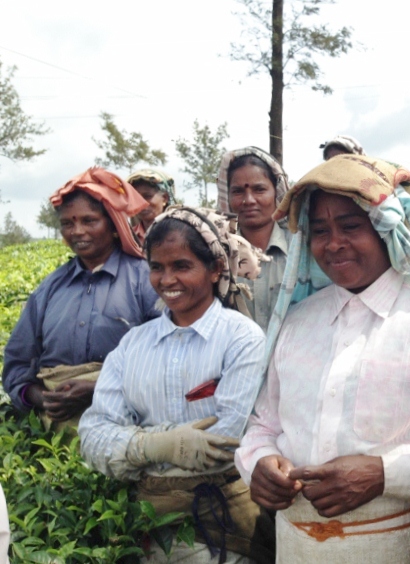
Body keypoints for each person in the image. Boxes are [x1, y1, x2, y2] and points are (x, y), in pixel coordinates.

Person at [235, 155, 410, 563]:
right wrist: (259, 462)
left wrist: (384, 475)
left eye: (352, 226)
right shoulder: (297, 322)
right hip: (296, 549)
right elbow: (263, 425)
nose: (333, 243)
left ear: (387, 227)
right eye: (319, 230)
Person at [79, 206, 274, 564]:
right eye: (157, 267)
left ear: (215, 269)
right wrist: (154, 446)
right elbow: (92, 434)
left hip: (222, 521)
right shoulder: (133, 344)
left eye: (182, 266)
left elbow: (225, 441)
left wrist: (131, 443)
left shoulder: (241, 339)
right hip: (147, 523)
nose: (167, 280)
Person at [2, 168, 159, 427]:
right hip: (58, 423)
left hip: (131, 420)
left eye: (89, 221)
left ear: (113, 225)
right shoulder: (50, 289)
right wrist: (41, 398)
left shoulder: (145, 280)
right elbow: (18, 362)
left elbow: (170, 357)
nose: (77, 231)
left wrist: (95, 389)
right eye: (67, 223)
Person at [216, 146, 291, 331]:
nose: (248, 200)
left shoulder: (300, 248)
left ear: (276, 192)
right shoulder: (217, 252)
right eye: (238, 191)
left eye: (259, 189)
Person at [321, 133, 410, 246]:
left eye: (343, 159)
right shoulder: (324, 192)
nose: (336, 166)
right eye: (330, 161)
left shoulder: (379, 183)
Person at [127, 168, 177, 244]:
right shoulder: (128, 238)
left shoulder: (179, 234)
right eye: (136, 197)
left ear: (165, 198)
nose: (141, 203)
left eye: (147, 196)